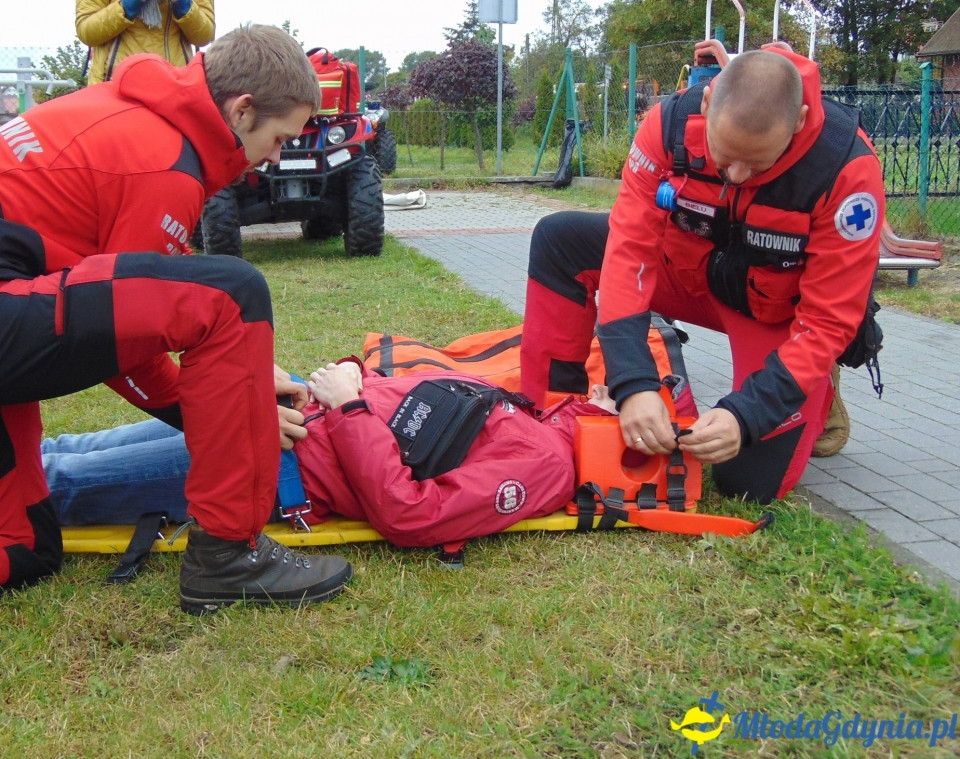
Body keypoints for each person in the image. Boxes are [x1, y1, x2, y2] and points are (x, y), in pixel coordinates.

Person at [0, 25, 353, 615]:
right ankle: (227, 556)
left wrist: (244, 379)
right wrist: (237, 415)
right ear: (242, 111)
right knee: (232, 294)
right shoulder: (164, 165)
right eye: (277, 138)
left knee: (26, 549)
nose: (275, 159)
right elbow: (128, 343)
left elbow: (119, 294)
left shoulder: (138, 116)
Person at [521, 43, 884, 505]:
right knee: (560, 237)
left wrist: (745, 415)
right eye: (725, 154)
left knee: (746, 484)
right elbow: (627, 254)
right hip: (685, 275)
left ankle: (813, 386)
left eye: (757, 162)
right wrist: (633, 383)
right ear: (707, 103)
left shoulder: (846, 170)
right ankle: (554, 409)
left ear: (797, 124)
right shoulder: (667, 124)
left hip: (772, 310)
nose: (736, 173)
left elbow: (830, 319)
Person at [42, 362, 619, 547]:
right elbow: (406, 401)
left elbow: (411, 514)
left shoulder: (544, 464)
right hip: (288, 421)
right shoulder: (528, 411)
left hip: (275, 468)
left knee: (60, 482)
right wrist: (345, 376)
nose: (610, 382)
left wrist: (346, 407)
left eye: (625, 393)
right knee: (71, 450)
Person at [77, 0, 215, 85]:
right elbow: (86, 31)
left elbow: (205, 35)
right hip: (114, 88)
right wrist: (128, 5)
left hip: (174, 88)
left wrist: (183, 4)